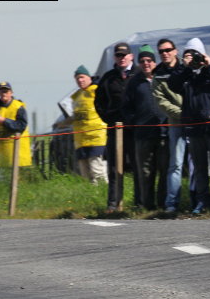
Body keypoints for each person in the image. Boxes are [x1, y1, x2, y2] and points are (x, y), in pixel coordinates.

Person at [168, 37, 210, 212]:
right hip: (193, 127)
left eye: (196, 54)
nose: (194, 58)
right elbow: (173, 84)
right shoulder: (185, 74)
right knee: (199, 168)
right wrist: (184, 67)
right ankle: (203, 201)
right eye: (189, 54)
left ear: (203, 54)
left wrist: (209, 66)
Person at [94, 42, 139, 212]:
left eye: (124, 55)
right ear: (114, 57)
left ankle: (140, 203)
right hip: (115, 129)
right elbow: (98, 102)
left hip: (135, 129)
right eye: (118, 55)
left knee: (137, 166)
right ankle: (113, 204)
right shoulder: (108, 77)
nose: (121, 58)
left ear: (131, 56)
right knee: (113, 168)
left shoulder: (139, 74)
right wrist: (109, 119)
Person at [123, 45, 167, 211]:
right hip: (142, 134)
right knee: (146, 171)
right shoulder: (134, 82)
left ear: (154, 62)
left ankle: (163, 204)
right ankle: (147, 205)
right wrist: (134, 122)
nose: (146, 63)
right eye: (142, 61)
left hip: (163, 132)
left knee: (164, 170)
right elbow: (126, 107)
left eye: (149, 60)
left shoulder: (163, 77)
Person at [152, 38, 185, 211]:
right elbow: (161, 102)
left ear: (175, 50)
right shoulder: (158, 75)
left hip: (197, 122)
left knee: (197, 164)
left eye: (168, 50)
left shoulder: (187, 66)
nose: (165, 54)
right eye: (161, 51)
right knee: (176, 164)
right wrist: (183, 114)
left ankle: (199, 201)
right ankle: (171, 203)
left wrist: (194, 112)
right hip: (176, 123)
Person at [0, 81, 31, 178]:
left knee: (19, 181)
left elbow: (21, 126)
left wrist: (4, 121)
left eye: (6, 91)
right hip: (0, 155)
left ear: (11, 93)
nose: (3, 93)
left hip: (18, 155)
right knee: (2, 182)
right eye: (1, 91)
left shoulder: (18, 107)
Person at [69, 67, 107, 185]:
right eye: (77, 78)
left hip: (96, 138)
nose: (80, 80)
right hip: (80, 140)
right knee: (85, 175)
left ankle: (103, 192)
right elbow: (75, 116)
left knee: (97, 171)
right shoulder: (76, 96)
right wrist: (63, 123)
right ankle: (91, 194)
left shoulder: (97, 90)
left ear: (89, 77)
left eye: (82, 77)